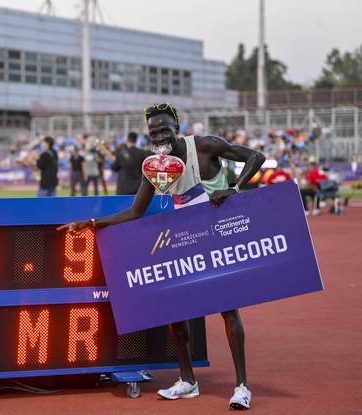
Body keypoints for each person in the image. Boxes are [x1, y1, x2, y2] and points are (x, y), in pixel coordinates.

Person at [59, 103, 265, 410]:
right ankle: (188, 381)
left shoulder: (204, 146)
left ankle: (242, 386)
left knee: (228, 311)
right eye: (153, 132)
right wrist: (90, 224)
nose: (159, 136)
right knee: (174, 310)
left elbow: (256, 157)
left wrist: (234, 188)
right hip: (188, 240)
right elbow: (135, 211)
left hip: (220, 237)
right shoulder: (153, 166)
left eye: (164, 129)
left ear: (177, 128)